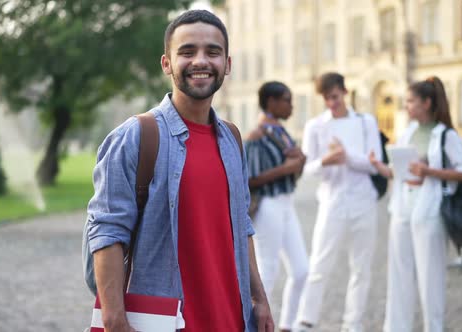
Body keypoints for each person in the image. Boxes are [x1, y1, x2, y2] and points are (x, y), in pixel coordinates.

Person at [86, 10, 274, 332]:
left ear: (227, 65)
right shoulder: (135, 137)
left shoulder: (232, 139)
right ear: (167, 63)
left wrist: (259, 299)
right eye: (187, 52)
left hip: (232, 319)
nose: (200, 61)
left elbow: (242, 226)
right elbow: (107, 231)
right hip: (162, 323)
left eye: (212, 52)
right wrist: (114, 320)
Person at [369, 76, 462, 332]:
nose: (406, 106)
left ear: (427, 103)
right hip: (402, 209)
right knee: (398, 274)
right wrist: (378, 166)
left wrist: (430, 171)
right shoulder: (409, 132)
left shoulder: (445, 135)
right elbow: (400, 172)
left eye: (411, 101)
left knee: (430, 278)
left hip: (431, 212)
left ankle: (433, 328)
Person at [295, 72, 382, 332]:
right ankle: (305, 320)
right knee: (319, 263)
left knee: (361, 267)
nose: (331, 103)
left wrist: (347, 157)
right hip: (331, 201)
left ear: (344, 92)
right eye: (326, 99)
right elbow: (308, 167)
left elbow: (375, 164)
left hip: (363, 202)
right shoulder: (316, 126)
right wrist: (325, 161)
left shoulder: (366, 122)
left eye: (334, 97)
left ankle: (352, 324)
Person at [244, 81, 309, 332]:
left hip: (286, 203)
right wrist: (288, 167)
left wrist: (300, 162)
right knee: (267, 268)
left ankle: (287, 326)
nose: (291, 106)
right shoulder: (256, 135)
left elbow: (291, 174)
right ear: (271, 102)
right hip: (268, 205)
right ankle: (256, 326)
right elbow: (250, 179)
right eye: (287, 100)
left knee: (302, 269)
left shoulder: (281, 131)